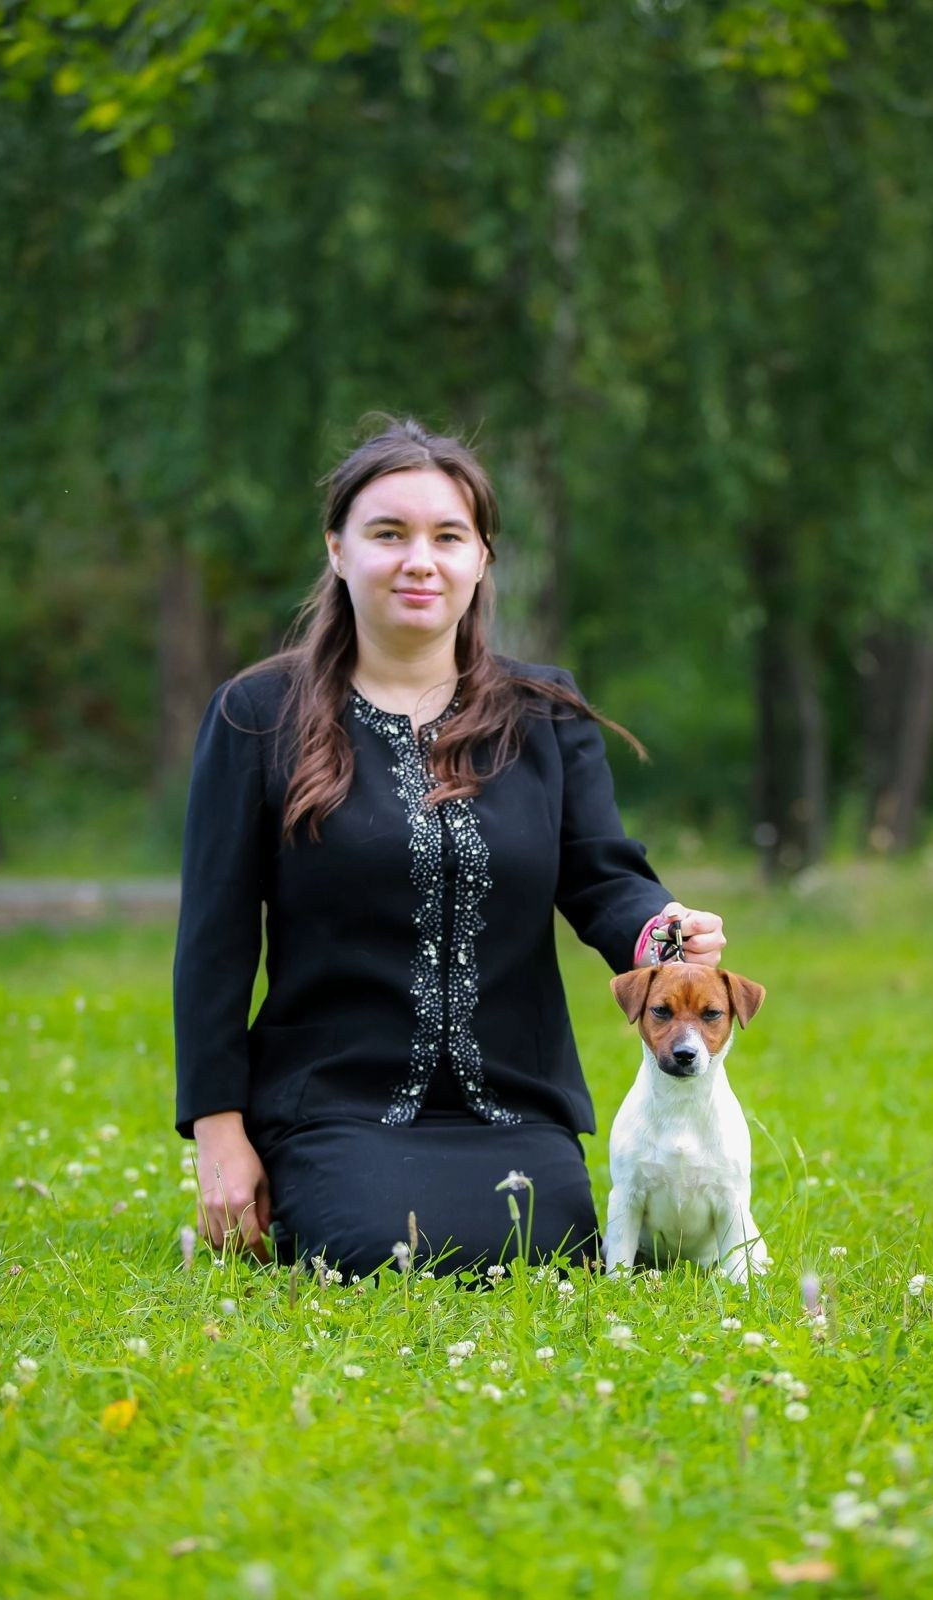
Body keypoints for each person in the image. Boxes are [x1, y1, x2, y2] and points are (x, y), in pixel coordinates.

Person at [173, 417, 726, 1277]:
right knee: (379, 1252)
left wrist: (661, 932)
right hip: (334, 1103)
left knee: (550, 1251)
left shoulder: (545, 712)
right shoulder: (255, 716)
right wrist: (218, 1133)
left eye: (448, 536)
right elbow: (213, 940)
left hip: (512, 1103)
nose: (419, 560)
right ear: (337, 550)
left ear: (483, 558)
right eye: (388, 533)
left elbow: (601, 876)